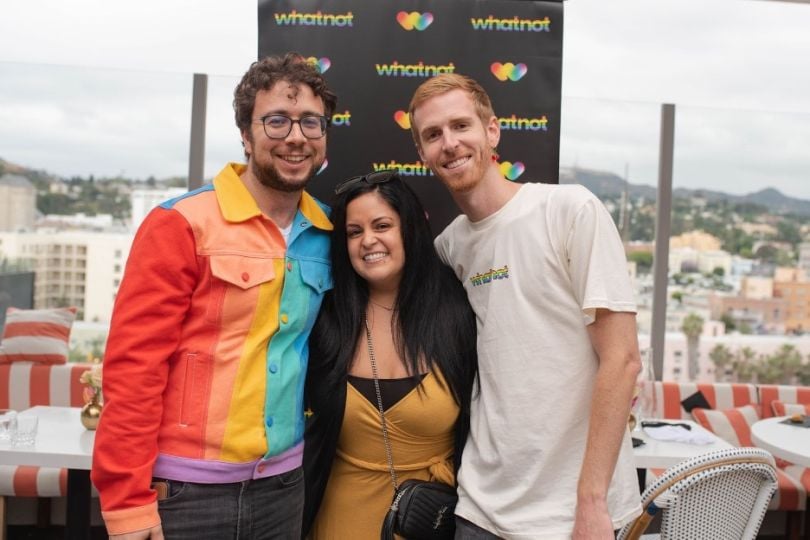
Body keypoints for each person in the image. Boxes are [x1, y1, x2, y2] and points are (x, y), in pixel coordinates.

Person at [91, 53, 337, 539]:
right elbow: (134, 372)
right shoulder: (180, 224)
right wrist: (126, 504)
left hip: (285, 487)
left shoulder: (329, 231)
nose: (295, 137)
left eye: (311, 122)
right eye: (276, 121)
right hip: (184, 493)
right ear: (245, 135)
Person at [408, 73, 643, 539]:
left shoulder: (569, 211)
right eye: (433, 135)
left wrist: (591, 503)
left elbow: (622, 360)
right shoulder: (448, 248)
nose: (450, 143)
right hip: (478, 508)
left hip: (571, 516)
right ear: (422, 154)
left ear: (491, 131)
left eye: (461, 126)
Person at [302, 171, 478, 539]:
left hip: (432, 523)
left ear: (409, 229)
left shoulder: (459, 313)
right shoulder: (325, 320)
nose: (368, 241)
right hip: (337, 521)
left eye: (382, 225)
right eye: (354, 232)